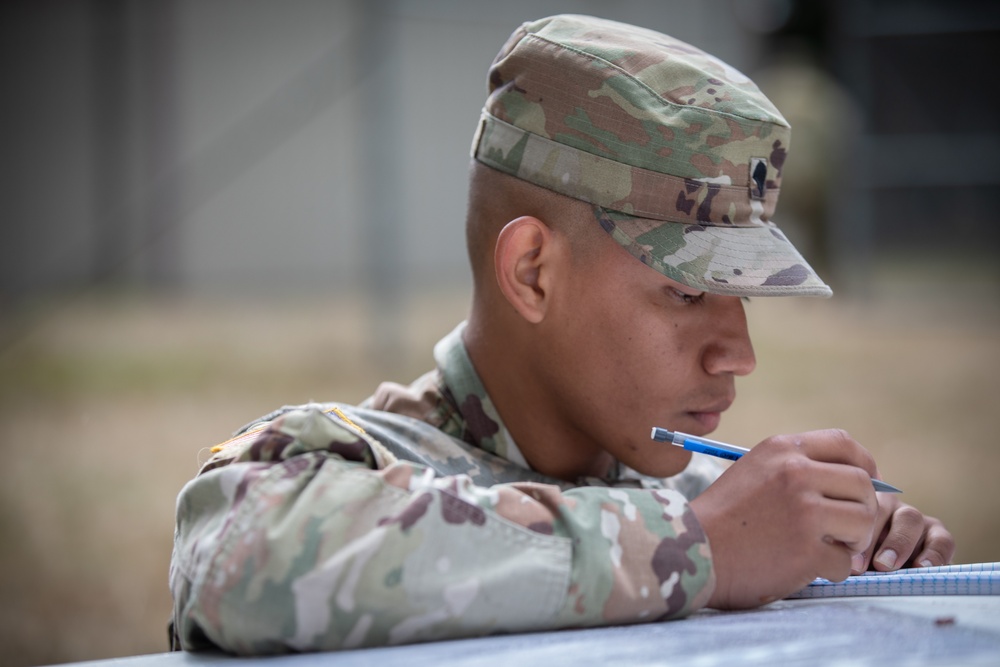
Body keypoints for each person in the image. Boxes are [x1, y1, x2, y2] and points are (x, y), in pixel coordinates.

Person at [169, 14, 954, 654]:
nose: (740, 353)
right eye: (685, 290)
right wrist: (698, 548)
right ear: (533, 273)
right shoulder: (326, 466)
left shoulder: (682, 499)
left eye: (741, 297)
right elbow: (250, 563)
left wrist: (852, 556)